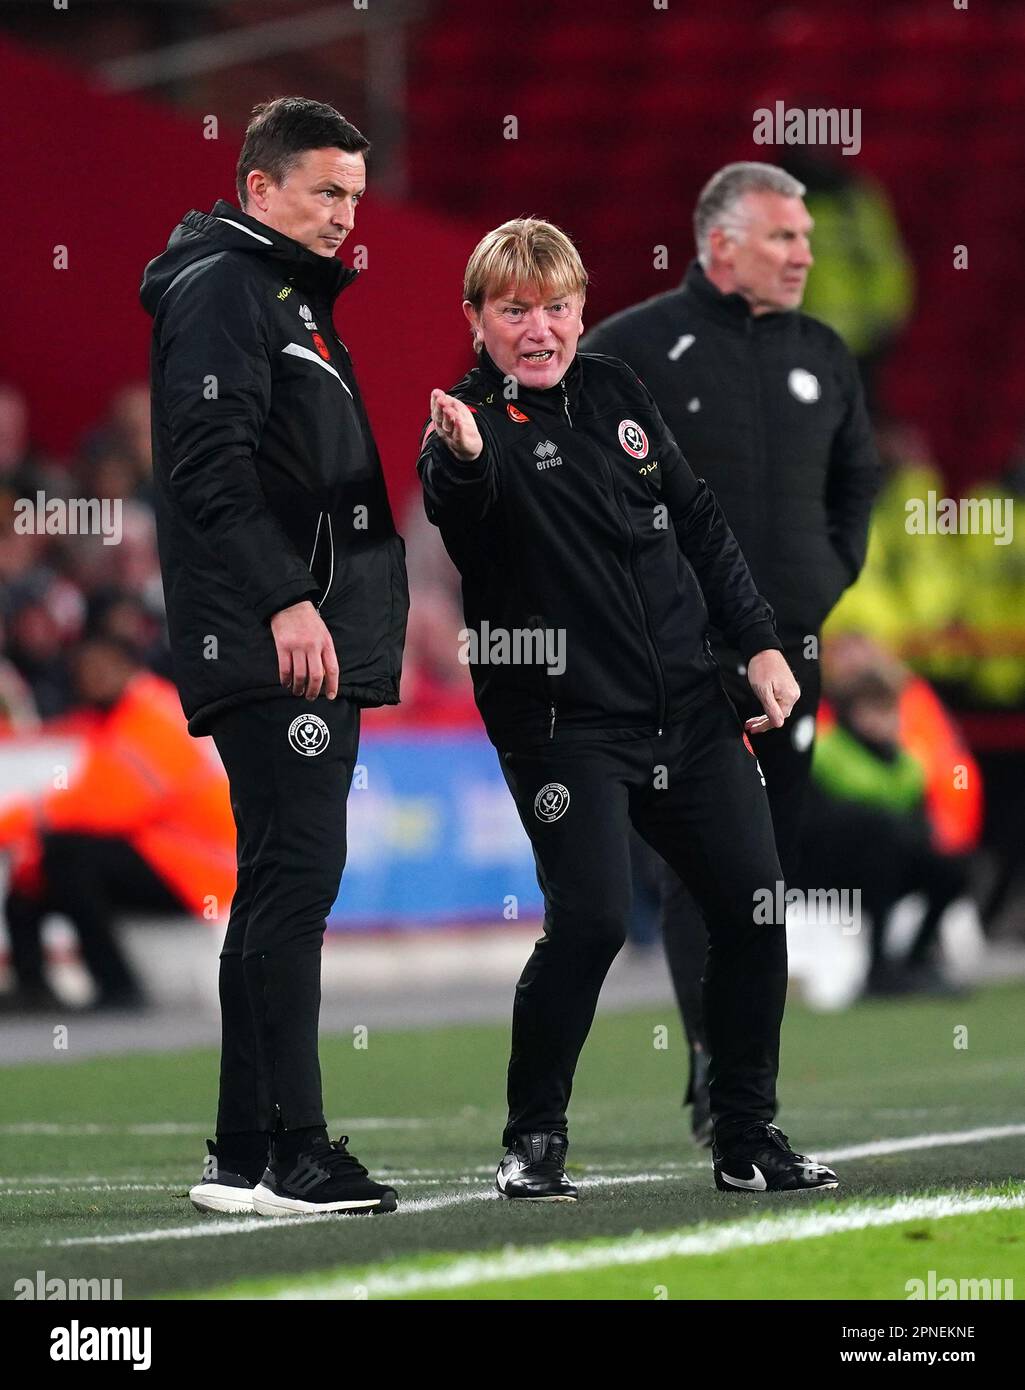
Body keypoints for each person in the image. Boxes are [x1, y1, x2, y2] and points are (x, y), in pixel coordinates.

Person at [418, 217, 838, 1197]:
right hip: (565, 728)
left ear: (579, 312)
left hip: (689, 711)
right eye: (514, 310)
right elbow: (463, 514)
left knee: (752, 906)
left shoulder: (616, 391)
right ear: (476, 319)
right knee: (594, 918)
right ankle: (531, 1140)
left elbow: (697, 521)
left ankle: (745, 1136)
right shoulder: (465, 426)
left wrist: (761, 644)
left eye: (556, 307)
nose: (539, 328)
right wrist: (468, 462)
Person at [140, 97, 408, 1217]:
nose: (345, 213)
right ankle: (298, 1152)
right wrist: (291, 602)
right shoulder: (228, 292)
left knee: (272, 889)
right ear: (258, 188)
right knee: (293, 886)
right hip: (273, 637)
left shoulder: (277, 292)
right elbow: (210, 470)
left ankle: (244, 1153)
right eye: (322, 190)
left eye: (353, 192)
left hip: (289, 632)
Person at [581, 162, 880, 1144]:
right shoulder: (629, 347)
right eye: (782, 238)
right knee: (697, 869)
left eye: (803, 238)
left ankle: (738, 1074)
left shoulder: (824, 354)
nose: (803, 254)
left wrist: (819, 582)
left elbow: (854, 486)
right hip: (676, 656)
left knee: (763, 872)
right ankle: (720, 1068)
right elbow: (570, 486)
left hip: (788, 654)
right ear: (718, 245)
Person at [0, 635, 235, 1012]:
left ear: (129, 666)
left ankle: (119, 987)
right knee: (39, 866)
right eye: (85, 670)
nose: (91, 678)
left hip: (200, 870)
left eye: (101, 668)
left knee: (66, 854)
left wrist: (13, 829)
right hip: (166, 859)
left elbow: (107, 809)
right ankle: (34, 987)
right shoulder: (121, 715)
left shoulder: (151, 716)